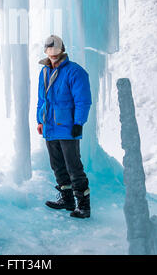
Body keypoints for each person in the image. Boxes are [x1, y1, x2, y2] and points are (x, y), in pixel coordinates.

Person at [36, 35, 92, 218]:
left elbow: (83, 100)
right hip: (50, 127)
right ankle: (67, 200)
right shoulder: (44, 72)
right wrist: (39, 120)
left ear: (62, 50)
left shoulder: (75, 72)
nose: (52, 55)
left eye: (55, 51)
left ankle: (83, 206)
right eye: (49, 51)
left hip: (68, 127)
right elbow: (42, 100)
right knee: (57, 165)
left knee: (73, 166)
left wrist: (78, 123)